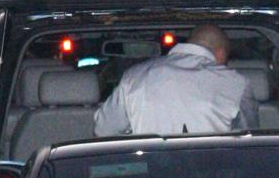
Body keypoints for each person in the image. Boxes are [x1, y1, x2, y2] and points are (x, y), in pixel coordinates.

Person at [93, 23, 258, 136]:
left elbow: (103, 129)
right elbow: (250, 140)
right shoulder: (236, 84)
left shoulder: (134, 77)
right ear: (221, 54)